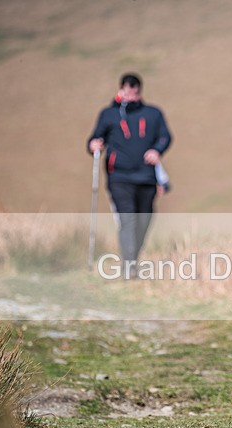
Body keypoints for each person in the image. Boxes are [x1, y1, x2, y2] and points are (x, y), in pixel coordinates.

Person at [87, 73, 172, 278]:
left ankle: (132, 258)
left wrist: (157, 150)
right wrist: (94, 145)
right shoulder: (109, 114)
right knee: (128, 219)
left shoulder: (153, 113)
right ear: (121, 90)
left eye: (135, 92)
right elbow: (95, 139)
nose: (131, 95)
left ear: (140, 91)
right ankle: (129, 267)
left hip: (146, 177)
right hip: (119, 177)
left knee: (144, 220)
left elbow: (165, 136)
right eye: (127, 91)